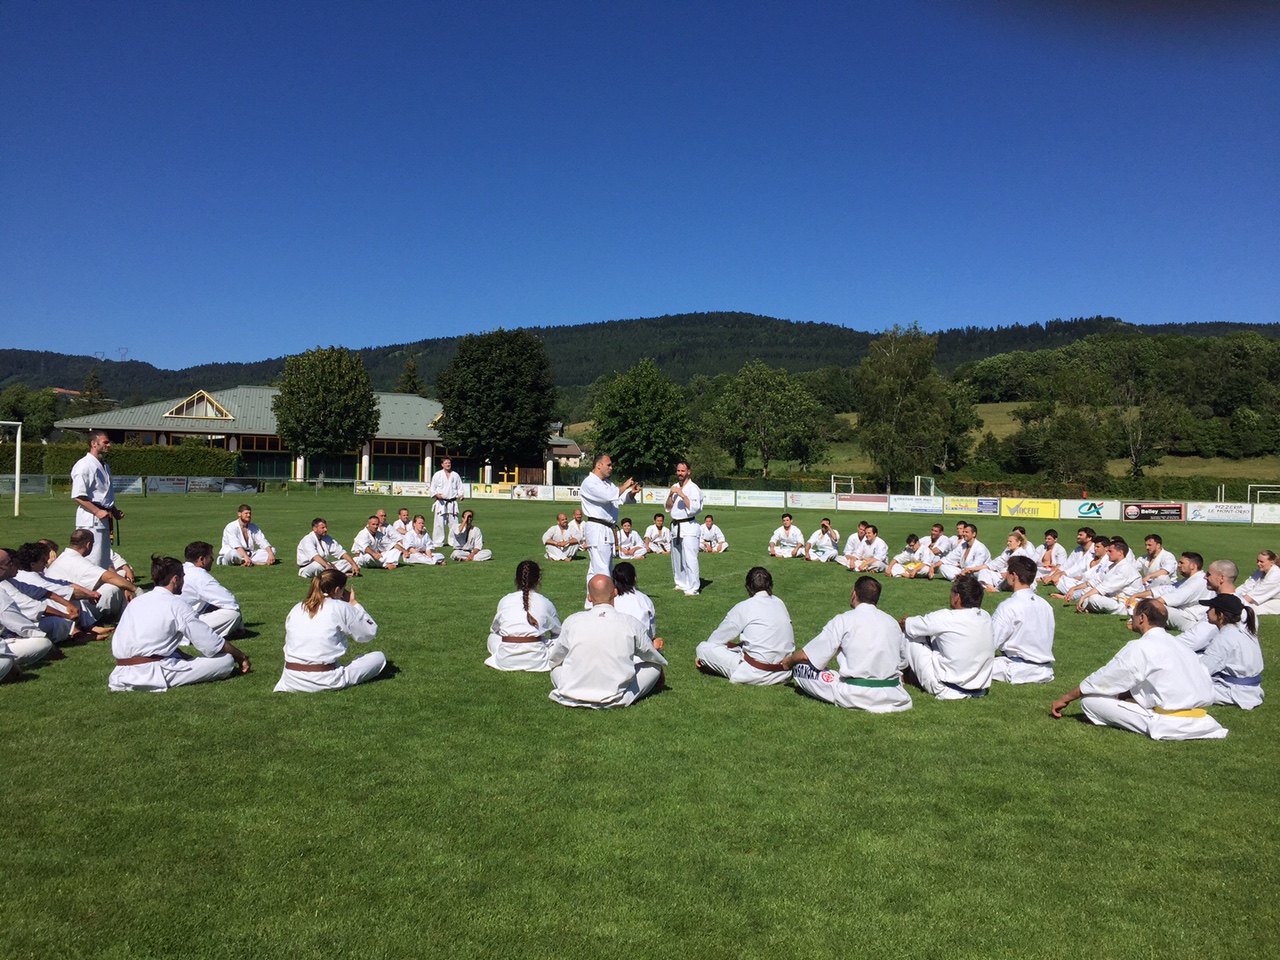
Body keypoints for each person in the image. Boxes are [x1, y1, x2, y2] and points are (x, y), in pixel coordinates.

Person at [1050, 599, 1227, 740]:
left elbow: (1103, 679)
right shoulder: (1181, 646)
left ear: (1142, 618)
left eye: (1133, 615)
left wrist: (1065, 698)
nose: (1132, 619)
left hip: (1170, 723)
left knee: (1089, 701)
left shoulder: (1141, 646)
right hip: (1203, 719)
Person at [108, 555, 251, 692]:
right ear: (175, 579)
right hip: (153, 673)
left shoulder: (137, 602)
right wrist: (241, 656)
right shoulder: (177, 604)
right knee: (226, 660)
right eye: (183, 577)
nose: (183, 581)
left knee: (178, 656)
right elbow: (211, 643)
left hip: (120, 673)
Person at [782, 575, 912, 712]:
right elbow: (903, 662)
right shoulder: (892, 622)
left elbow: (808, 656)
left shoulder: (844, 620)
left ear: (854, 594)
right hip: (893, 694)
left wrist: (789, 662)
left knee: (801, 667)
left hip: (854, 694)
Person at [547, 574, 667, 708]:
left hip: (573, 692)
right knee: (655, 666)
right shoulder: (630, 622)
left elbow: (555, 658)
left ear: (589, 597)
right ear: (615, 593)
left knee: (556, 667)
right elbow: (651, 656)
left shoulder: (572, 621)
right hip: (615, 696)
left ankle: (573, 689)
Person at [274, 568, 385, 692]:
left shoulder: (297, 607)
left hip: (290, 678)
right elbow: (369, 632)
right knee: (379, 657)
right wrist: (353, 603)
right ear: (337, 590)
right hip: (326, 679)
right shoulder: (341, 607)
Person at [901, 574, 994, 700]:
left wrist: (904, 622)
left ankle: (901, 674)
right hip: (979, 688)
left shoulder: (946, 617)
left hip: (947, 688)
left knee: (911, 633)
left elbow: (908, 625)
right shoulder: (986, 616)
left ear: (957, 597)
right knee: (939, 639)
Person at [695, 566, 794, 685]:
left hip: (756, 673)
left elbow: (716, 640)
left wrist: (705, 658)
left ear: (748, 587)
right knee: (737, 647)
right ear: (771, 585)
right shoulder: (780, 603)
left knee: (703, 648)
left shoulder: (744, 606)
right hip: (784, 672)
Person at [485, 560, 562, 672]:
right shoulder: (545, 602)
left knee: (492, 637)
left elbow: (496, 629)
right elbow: (558, 632)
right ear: (538, 580)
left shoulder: (505, 600)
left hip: (506, 659)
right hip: (537, 660)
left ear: (516, 579)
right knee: (559, 640)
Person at [990, 556, 1055, 684]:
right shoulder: (1045, 605)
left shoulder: (1009, 606)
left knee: (968, 665)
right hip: (1045, 670)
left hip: (1018, 669)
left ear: (1014, 576)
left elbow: (990, 642)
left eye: (1007, 572)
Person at [46, 530, 138, 620]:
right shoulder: (78, 561)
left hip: (55, 605)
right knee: (117, 584)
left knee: (120, 577)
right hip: (71, 608)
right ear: (88, 545)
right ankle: (130, 615)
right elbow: (108, 577)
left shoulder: (63, 557)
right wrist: (135, 589)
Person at [0, 546, 85, 644]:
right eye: (12, 565)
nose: (17, 568)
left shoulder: (10, 581)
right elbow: (32, 606)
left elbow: (42, 591)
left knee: (55, 621)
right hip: (8, 631)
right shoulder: (5, 585)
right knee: (44, 641)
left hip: (16, 624)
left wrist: (68, 605)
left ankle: (75, 634)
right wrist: (66, 616)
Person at [1196, 594, 1263, 710]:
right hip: (1253, 690)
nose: (1207, 611)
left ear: (1220, 615)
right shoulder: (1244, 631)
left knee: (1183, 687)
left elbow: (1202, 671)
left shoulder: (1224, 638)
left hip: (1235, 692)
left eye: (1210, 608)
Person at [581, 454, 641, 582]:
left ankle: (592, 594)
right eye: (608, 465)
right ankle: (603, 594)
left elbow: (618, 498)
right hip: (598, 528)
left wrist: (631, 493)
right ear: (599, 465)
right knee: (602, 570)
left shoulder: (607, 483)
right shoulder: (590, 483)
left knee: (598, 569)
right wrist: (625, 486)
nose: (611, 468)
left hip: (607, 528)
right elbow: (608, 496)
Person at [70, 429, 122, 569]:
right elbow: (78, 495)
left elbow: (103, 495)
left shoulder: (105, 466)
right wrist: (97, 511)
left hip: (103, 518)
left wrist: (114, 510)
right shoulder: (84, 465)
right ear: (94, 444)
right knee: (92, 560)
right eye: (105, 442)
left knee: (103, 560)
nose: (109, 445)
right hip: (90, 520)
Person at [1129, 552, 1210, 631]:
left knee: (1155, 607)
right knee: (1150, 602)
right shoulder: (1190, 579)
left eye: (1182, 563)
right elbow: (1168, 589)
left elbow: (1177, 597)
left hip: (1190, 619)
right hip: (1181, 613)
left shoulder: (1198, 581)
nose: (1178, 565)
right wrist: (1137, 595)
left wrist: (1145, 604)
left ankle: (1137, 624)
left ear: (1193, 566)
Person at [180, 541, 244, 639]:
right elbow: (230, 602)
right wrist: (240, 626)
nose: (213, 559)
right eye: (210, 556)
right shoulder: (199, 575)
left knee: (211, 606)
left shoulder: (181, 568)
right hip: (183, 625)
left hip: (168, 620)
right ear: (202, 559)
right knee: (233, 614)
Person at [1074, 537, 1142, 614]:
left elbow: (1105, 587)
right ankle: (1089, 607)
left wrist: (1084, 597)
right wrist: (1074, 588)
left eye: (1110, 551)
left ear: (1120, 553)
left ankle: (1091, 607)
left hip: (1126, 603)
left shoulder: (1125, 568)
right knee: (1088, 593)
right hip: (1113, 598)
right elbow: (1097, 581)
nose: (1107, 553)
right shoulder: (1112, 566)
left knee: (1093, 598)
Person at [665, 460, 702, 596]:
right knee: (677, 558)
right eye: (678, 470)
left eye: (682, 471)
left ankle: (693, 588)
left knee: (690, 558)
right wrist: (671, 494)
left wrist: (681, 494)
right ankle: (681, 583)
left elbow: (694, 508)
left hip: (689, 526)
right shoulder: (675, 486)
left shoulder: (693, 488)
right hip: (676, 526)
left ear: (688, 472)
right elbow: (668, 507)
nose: (680, 473)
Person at [612, 561, 658, 643]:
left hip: (616, 646)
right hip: (641, 646)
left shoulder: (610, 600)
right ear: (634, 578)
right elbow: (652, 632)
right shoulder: (644, 599)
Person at [428, 458, 465, 546]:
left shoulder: (455, 475)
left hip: (452, 502)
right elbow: (433, 488)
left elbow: (459, 487)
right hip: (441, 502)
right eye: (446, 463)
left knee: (454, 523)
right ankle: (438, 542)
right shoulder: (438, 475)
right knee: (439, 523)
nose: (448, 464)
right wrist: (436, 495)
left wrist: (461, 495)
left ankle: (453, 541)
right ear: (442, 464)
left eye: (449, 463)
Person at [1241, 550, 1280, 614]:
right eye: (1257, 561)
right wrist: (1232, 596)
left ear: (1272, 563)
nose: (1258, 564)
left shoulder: (1276, 575)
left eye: (1261, 562)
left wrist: (1236, 603)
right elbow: (1247, 586)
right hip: (1271, 597)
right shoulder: (1260, 571)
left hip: (1277, 600)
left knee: (1251, 608)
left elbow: (1256, 593)